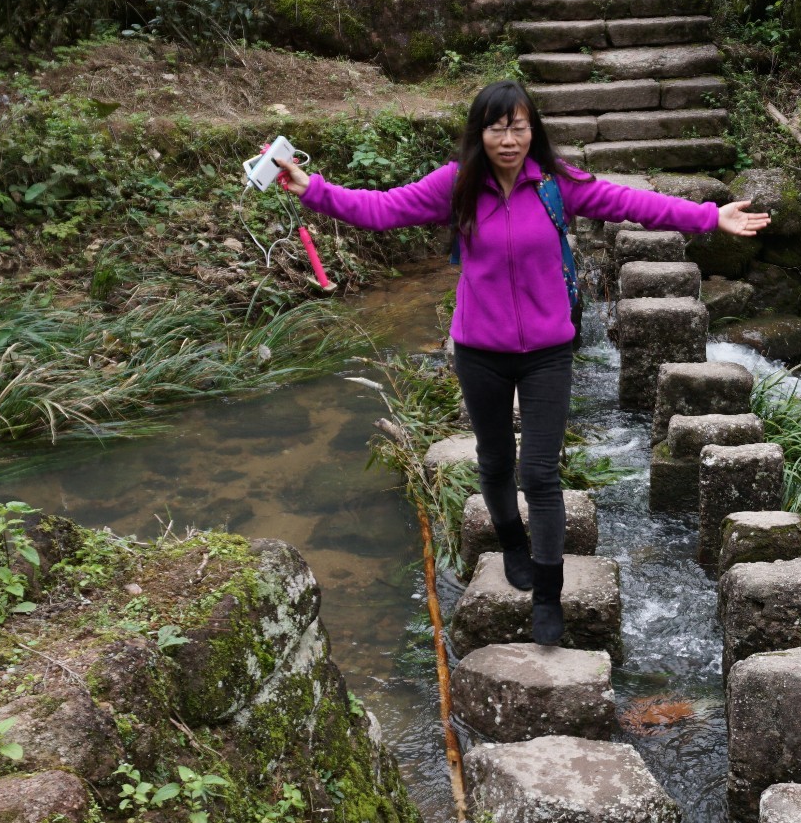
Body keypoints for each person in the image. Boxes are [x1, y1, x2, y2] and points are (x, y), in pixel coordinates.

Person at [279, 79, 770, 644]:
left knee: (539, 473)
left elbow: (632, 202)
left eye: (517, 126)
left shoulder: (556, 184)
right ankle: (510, 540)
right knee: (493, 464)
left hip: (547, 353)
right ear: (479, 132)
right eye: (496, 127)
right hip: (480, 351)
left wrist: (709, 217)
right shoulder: (458, 185)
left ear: (532, 129)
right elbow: (383, 208)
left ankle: (547, 594)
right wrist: (312, 188)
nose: (507, 138)